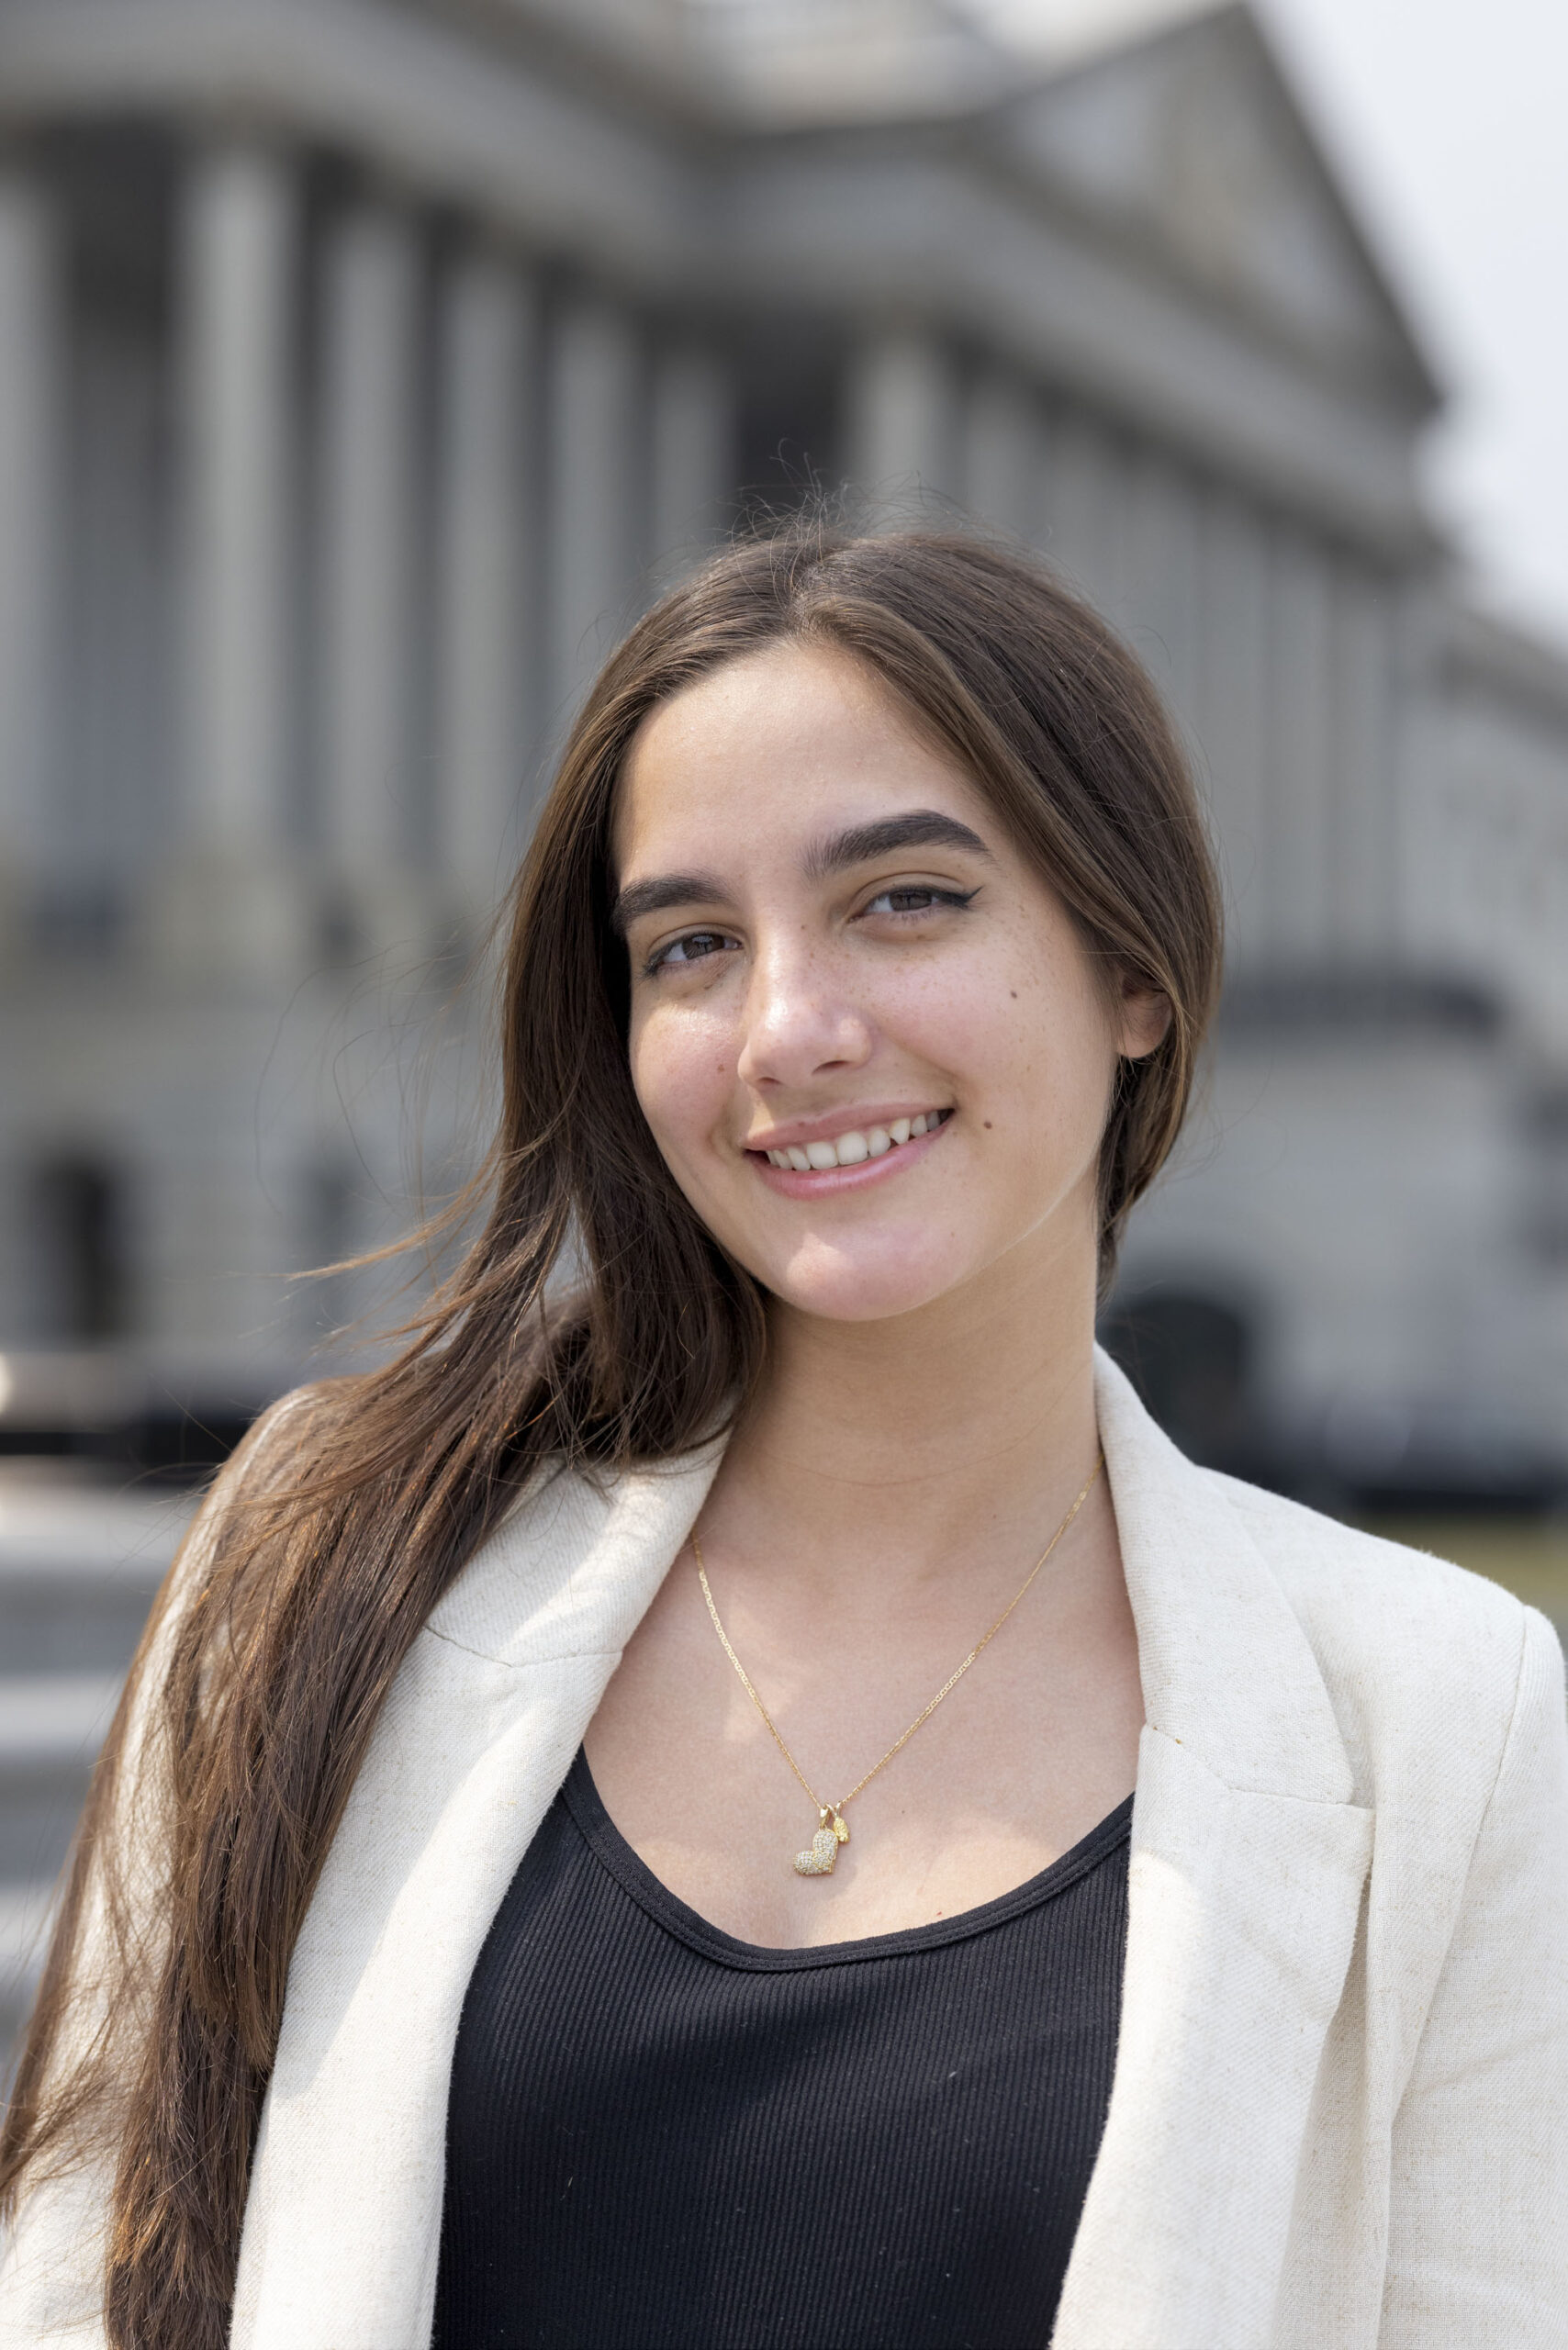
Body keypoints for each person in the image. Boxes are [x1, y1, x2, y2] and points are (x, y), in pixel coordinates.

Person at [2, 528, 1564, 2350]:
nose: (787, 1030)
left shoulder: (1443, 1714)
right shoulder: (327, 1547)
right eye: (689, 945)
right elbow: (81, 2282)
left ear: (1131, 968)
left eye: (903, 898)